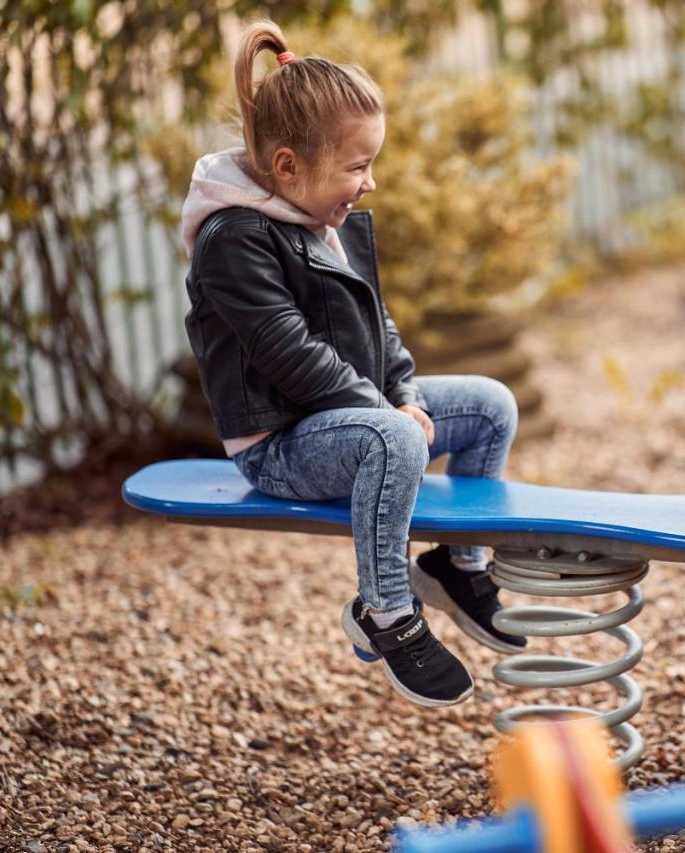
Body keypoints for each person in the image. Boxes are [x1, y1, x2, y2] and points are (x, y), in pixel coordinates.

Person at [179, 20, 525, 710]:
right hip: (282, 441)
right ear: (286, 167)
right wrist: (385, 410)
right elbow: (288, 352)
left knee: (490, 404)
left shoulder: (323, 220)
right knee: (393, 435)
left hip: (350, 415)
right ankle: (387, 612)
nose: (369, 183)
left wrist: (398, 385)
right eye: (357, 166)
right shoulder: (233, 239)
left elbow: (378, 323)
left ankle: (456, 565)